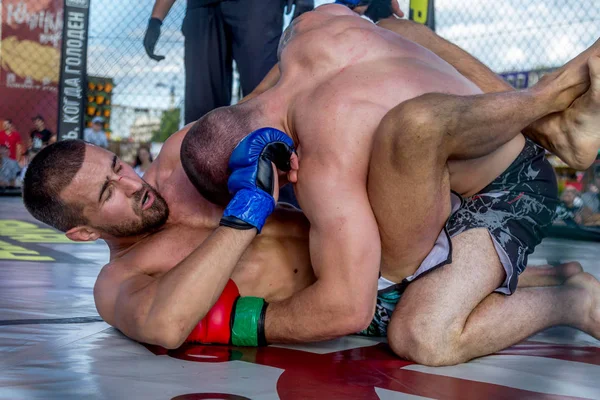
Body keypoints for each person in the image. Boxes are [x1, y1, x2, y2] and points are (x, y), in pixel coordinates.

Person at [21, 10, 599, 364]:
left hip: (404, 218)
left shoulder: (181, 157)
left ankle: (548, 125)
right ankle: (566, 292)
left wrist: (286, 122)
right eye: (108, 194)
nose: (134, 183)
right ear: (80, 231)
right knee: (420, 334)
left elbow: (273, 99)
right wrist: (246, 214)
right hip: (373, 278)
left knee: (384, 34)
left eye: (118, 165)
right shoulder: (116, 282)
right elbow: (168, 325)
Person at [143, 0, 314, 124]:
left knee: (262, 94)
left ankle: (270, 165)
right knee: (201, 107)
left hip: (255, 6)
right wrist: (156, 19)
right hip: (202, 7)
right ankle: (202, 169)